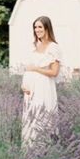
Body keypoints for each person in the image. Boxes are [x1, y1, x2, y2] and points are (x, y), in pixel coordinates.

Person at [21, 16, 61, 147]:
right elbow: (27, 68)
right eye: (35, 27)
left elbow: (54, 72)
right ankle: (30, 152)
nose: (37, 30)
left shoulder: (53, 47)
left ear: (47, 28)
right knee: (30, 119)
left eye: (40, 27)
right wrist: (24, 85)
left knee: (42, 117)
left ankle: (44, 150)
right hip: (29, 91)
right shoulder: (34, 46)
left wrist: (36, 69)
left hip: (44, 88)